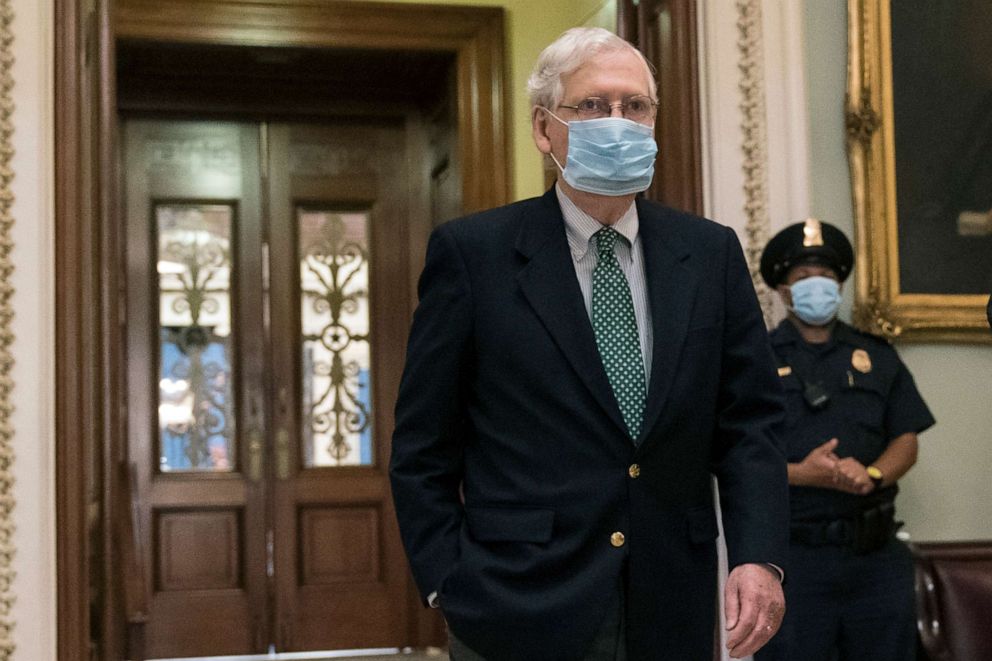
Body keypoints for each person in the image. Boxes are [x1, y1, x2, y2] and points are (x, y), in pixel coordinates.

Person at [389, 27, 788, 661]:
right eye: (593, 106)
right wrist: (446, 580)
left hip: (670, 602)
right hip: (515, 605)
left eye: (636, 107)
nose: (619, 122)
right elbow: (423, 444)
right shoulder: (474, 254)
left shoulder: (709, 254)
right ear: (545, 130)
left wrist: (760, 557)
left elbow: (751, 426)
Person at [754, 218, 936, 661]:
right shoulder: (755, 358)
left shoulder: (877, 355)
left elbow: (906, 439)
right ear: (782, 290)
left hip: (875, 559)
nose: (818, 286)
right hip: (794, 560)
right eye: (803, 278)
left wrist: (871, 474)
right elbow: (735, 453)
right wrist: (803, 474)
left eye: (827, 277)